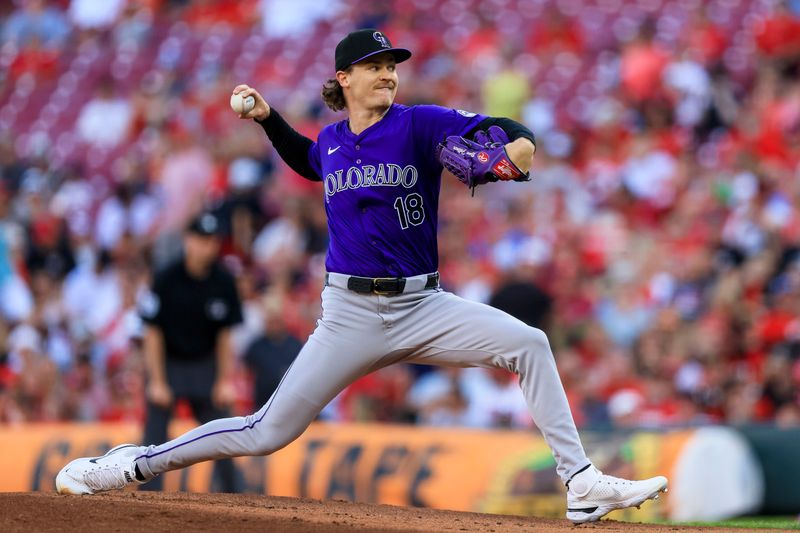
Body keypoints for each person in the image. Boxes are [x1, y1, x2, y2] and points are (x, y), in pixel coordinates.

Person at [56, 29, 667, 523]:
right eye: (375, 65)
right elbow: (307, 160)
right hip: (348, 315)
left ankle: (582, 484)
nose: (388, 72)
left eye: (392, 64)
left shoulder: (420, 123)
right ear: (345, 78)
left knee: (530, 344)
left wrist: (512, 150)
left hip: (424, 306)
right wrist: (269, 119)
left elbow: (512, 136)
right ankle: (132, 464)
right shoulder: (331, 141)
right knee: (265, 431)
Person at [136, 212, 243, 492]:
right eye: (201, 239)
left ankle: (240, 501)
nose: (207, 246)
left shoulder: (223, 281)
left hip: (204, 364)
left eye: (212, 241)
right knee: (154, 440)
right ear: (188, 240)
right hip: (168, 362)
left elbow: (224, 335)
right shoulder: (165, 278)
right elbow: (152, 331)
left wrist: (224, 379)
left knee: (223, 437)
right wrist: (157, 380)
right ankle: (142, 505)